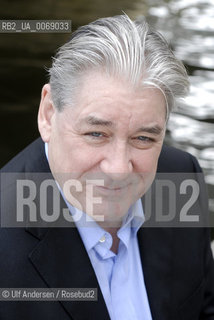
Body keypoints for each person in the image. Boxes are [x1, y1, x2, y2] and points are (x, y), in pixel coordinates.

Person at [0, 14, 214, 320]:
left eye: (143, 138)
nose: (118, 169)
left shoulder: (181, 179)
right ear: (48, 114)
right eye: (96, 134)